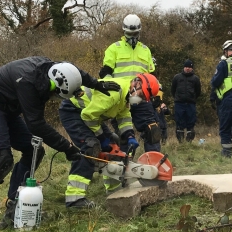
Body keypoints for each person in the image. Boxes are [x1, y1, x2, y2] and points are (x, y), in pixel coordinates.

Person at [0, 57, 120, 230]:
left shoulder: (58, 69)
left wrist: (98, 85)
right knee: (1, 158)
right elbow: (36, 124)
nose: (55, 98)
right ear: (55, 87)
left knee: (32, 150)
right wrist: (66, 147)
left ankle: (16, 203)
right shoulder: (28, 83)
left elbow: (76, 73)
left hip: (9, 107)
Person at [59, 73, 160, 208]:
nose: (139, 99)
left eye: (143, 99)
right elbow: (88, 116)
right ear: (137, 83)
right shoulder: (114, 92)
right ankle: (75, 199)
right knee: (91, 147)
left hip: (91, 115)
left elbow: (123, 116)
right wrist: (101, 138)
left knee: (114, 143)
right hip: (74, 111)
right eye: (141, 96)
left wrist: (129, 135)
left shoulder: (126, 94)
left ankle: (114, 190)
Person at [99, 14, 161, 152]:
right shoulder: (114, 48)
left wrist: (156, 95)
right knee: (123, 135)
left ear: (139, 32)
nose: (132, 36)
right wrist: (112, 89)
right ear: (124, 31)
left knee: (152, 130)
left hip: (140, 97)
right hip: (120, 97)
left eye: (135, 33)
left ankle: (154, 164)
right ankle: (122, 167)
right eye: (129, 33)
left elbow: (152, 76)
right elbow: (105, 72)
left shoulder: (145, 50)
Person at [171, 59, 202, 142]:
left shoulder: (196, 79)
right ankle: (180, 142)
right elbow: (173, 90)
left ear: (192, 68)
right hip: (179, 103)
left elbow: (198, 91)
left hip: (190, 104)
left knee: (191, 122)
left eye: (189, 67)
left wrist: (192, 98)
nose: (187, 68)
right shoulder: (177, 77)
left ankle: (189, 141)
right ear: (183, 67)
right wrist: (178, 98)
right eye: (186, 67)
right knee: (179, 122)